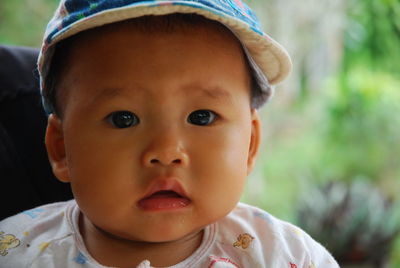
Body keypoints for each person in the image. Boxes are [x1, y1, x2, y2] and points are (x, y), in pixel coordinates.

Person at [0, 1, 339, 267]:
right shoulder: (17, 251)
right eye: (123, 119)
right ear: (61, 149)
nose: (166, 150)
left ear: (249, 143)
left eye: (202, 117)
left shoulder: (285, 256)